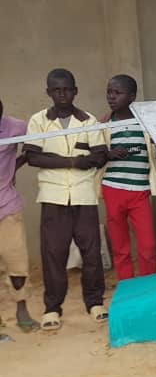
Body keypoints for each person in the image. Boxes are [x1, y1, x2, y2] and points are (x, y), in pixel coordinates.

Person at [23, 69, 108, 331]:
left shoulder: (88, 120)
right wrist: (73, 161)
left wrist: (79, 160)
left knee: (91, 253)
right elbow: (33, 157)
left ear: (75, 91)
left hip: (83, 196)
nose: (62, 94)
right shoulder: (38, 121)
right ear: (48, 92)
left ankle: (94, 302)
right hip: (53, 197)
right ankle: (52, 308)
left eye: (67, 89)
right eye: (57, 90)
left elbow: (100, 156)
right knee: (53, 255)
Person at [100, 74, 156, 281]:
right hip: (113, 188)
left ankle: (148, 283)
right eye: (109, 92)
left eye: (117, 93)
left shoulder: (145, 123)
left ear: (132, 96)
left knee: (148, 245)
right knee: (120, 245)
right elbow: (96, 154)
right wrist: (108, 154)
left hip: (139, 191)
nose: (111, 97)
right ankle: (126, 284)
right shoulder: (105, 123)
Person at [0, 97, 37, 333]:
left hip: (7, 206)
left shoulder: (15, 127)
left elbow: (35, 143)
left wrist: (17, 163)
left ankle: (22, 309)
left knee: (17, 263)